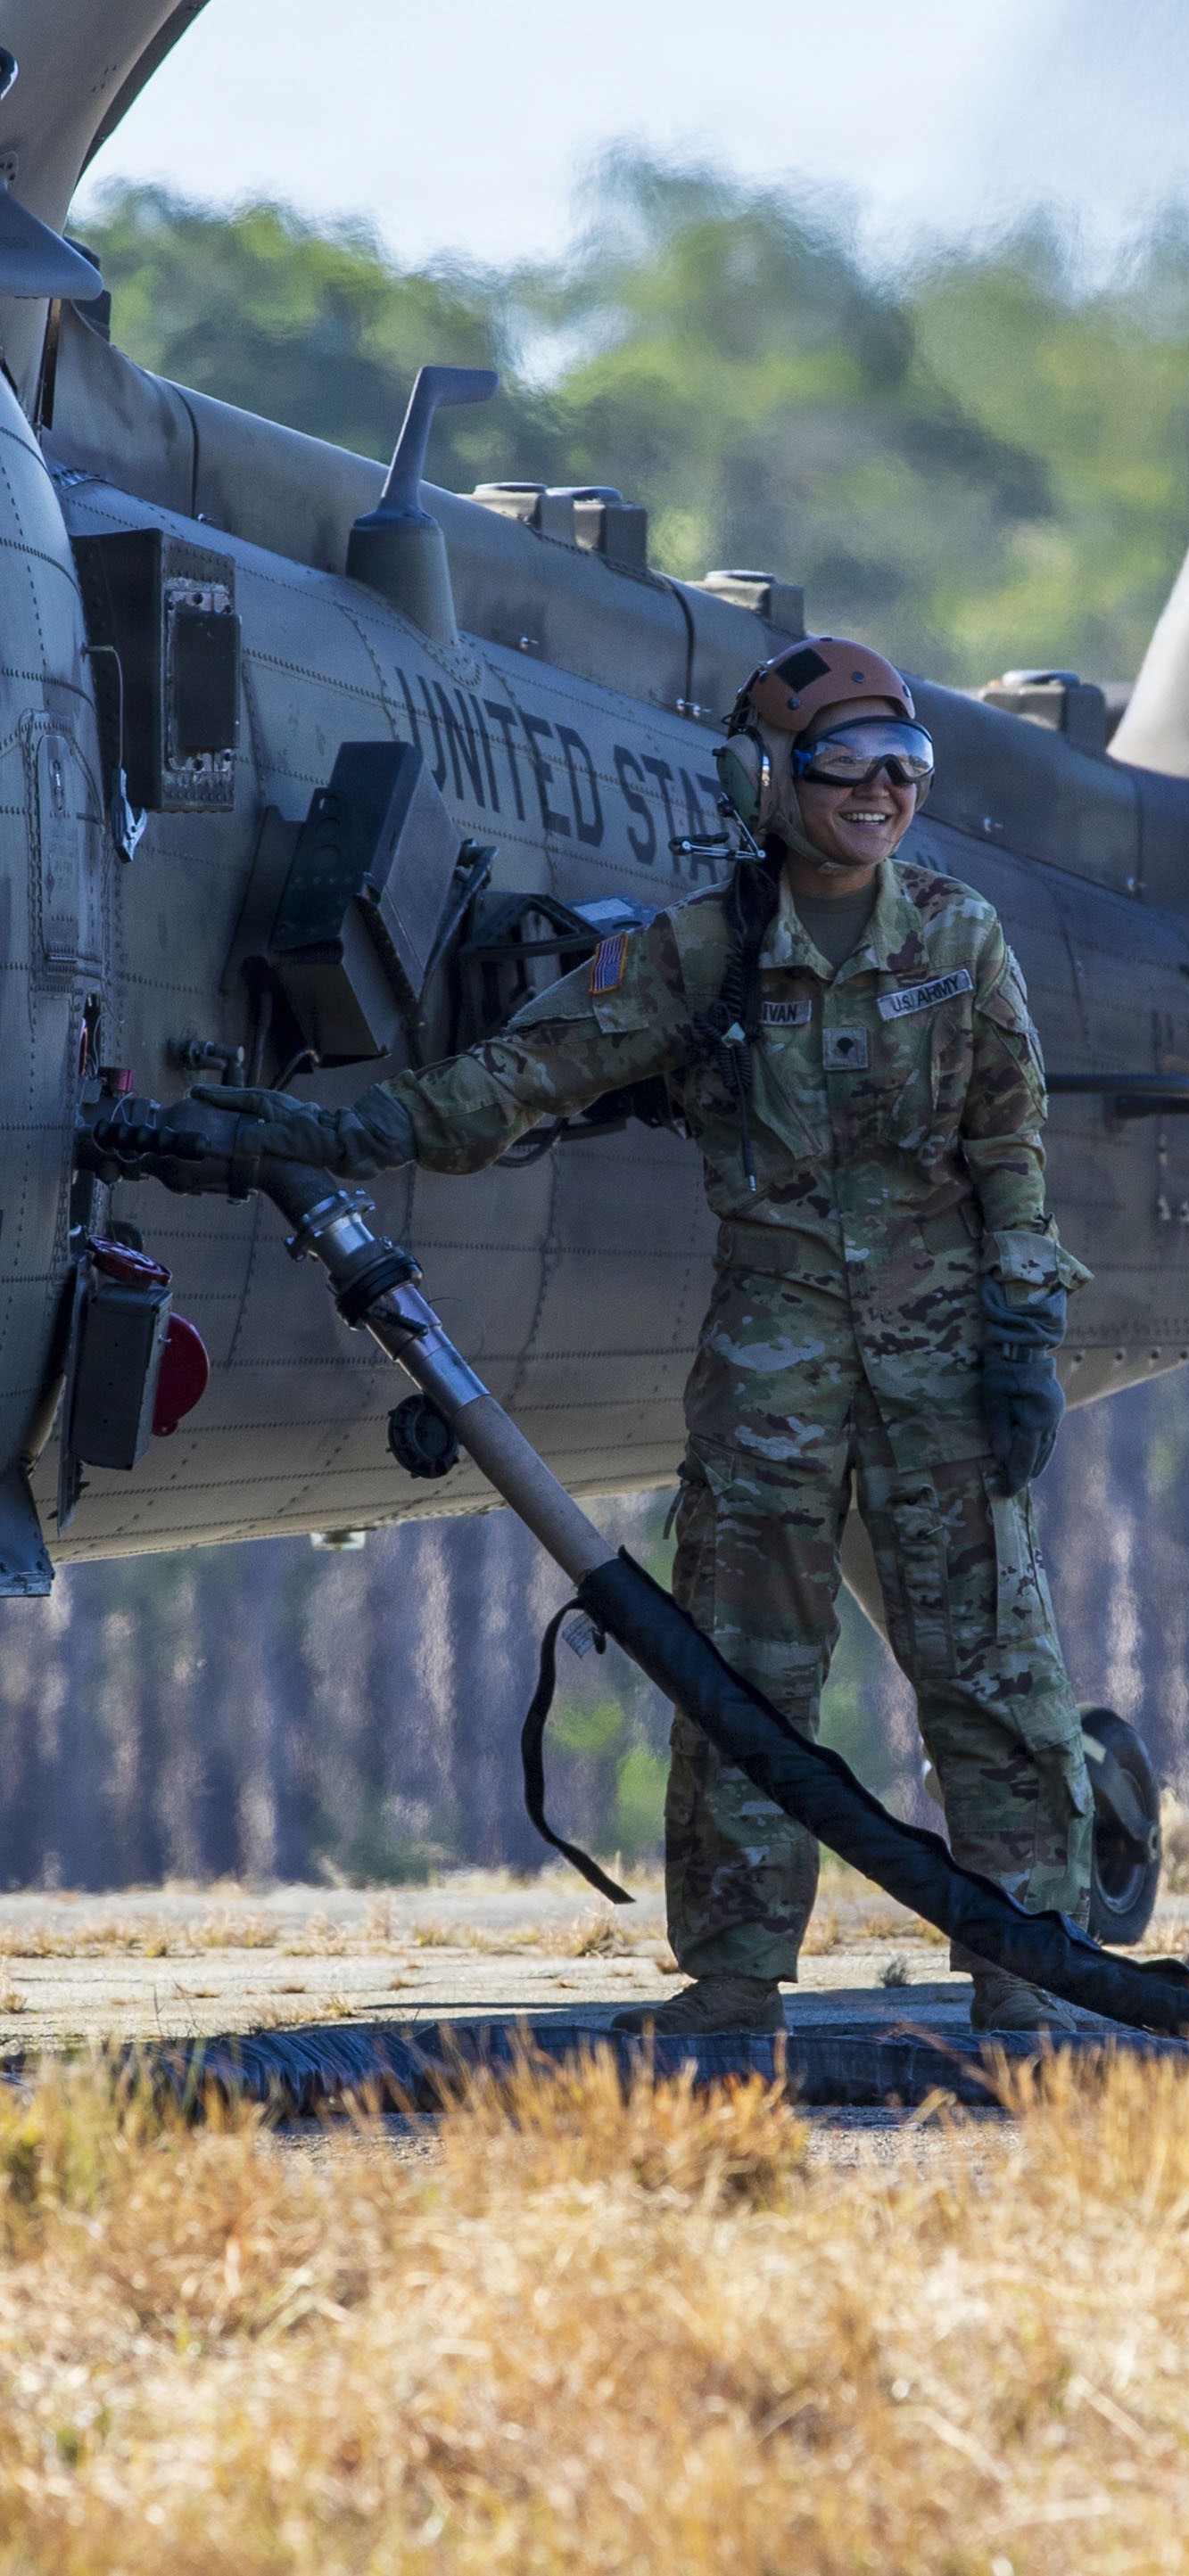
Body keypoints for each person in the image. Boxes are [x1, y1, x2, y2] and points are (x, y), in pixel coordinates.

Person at [193, 637, 1094, 2034]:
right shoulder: (701, 953)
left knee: (989, 1660)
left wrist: (1023, 1334)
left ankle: (1030, 1972)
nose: (877, 791)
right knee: (743, 1672)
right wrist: (324, 1136)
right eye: (840, 763)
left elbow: (1013, 1158)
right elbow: (515, 1080)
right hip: (770, 1364)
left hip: (942, 1366)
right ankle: (733, 1984)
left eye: (903, 766)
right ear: (765, 782)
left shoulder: (957, 939)